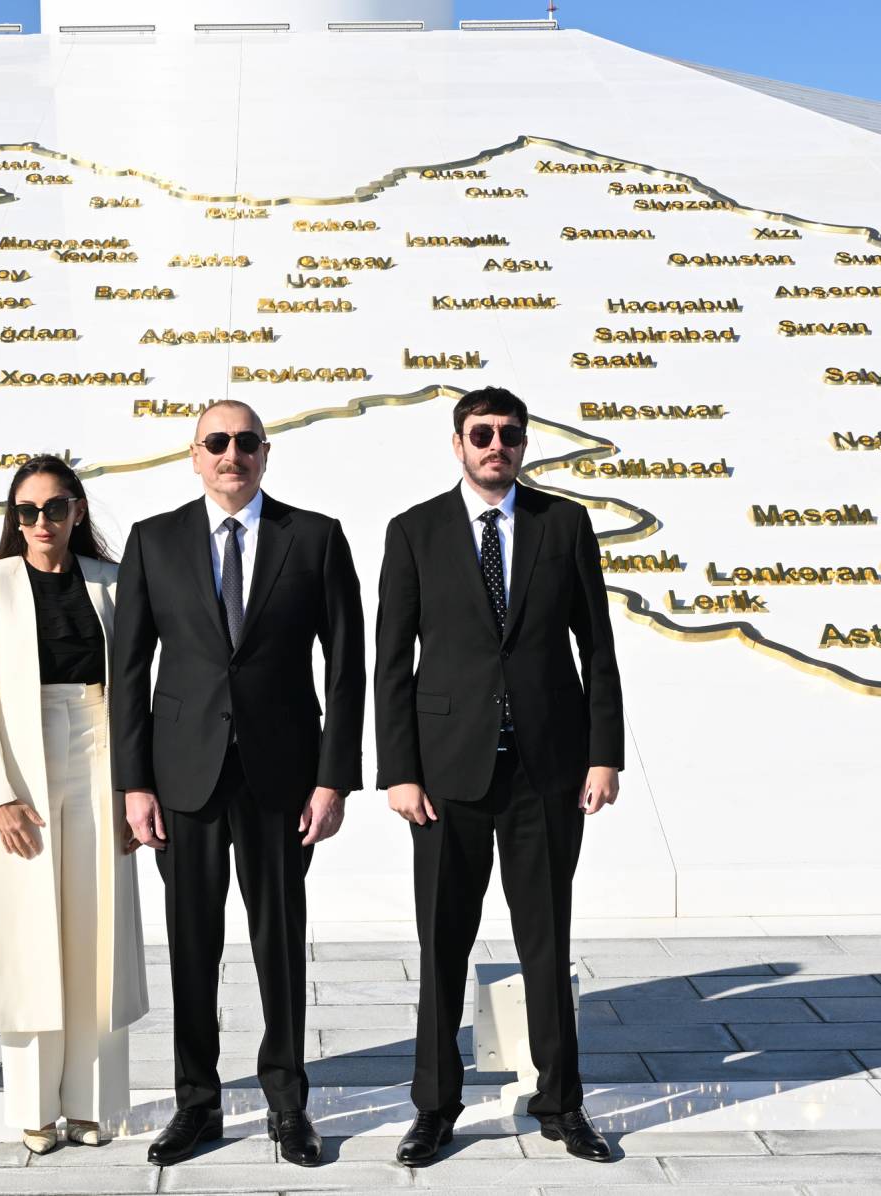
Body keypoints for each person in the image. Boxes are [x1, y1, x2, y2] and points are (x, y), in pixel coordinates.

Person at [110, 399, 365, 1167]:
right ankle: (197, 1104)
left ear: (265, 453)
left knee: (279, 945)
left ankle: (289, 1105)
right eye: (216, 442)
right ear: (194, 456)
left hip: (282, 781)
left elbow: (348, 669)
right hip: (183, 778)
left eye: (246, 442)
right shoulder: (153, 542)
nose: (232, 454)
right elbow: (127, 672)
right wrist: (134, 783)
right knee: (193, 947)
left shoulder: (315, 538)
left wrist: (334, 781)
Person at [374, 387, 625, 1166]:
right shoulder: (414, 531)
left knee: (546, 942)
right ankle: (435, 1107)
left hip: (547, 770)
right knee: (443, 944)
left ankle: (562, 1102)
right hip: (446, 779)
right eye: (481, 433)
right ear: (457, 443)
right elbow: (392, 662)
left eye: (509, 434)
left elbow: (599, 649)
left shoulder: (564, 524)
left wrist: (604, 753)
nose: (496, 445)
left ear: (524, 444)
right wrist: (399, 771)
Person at [0, 455, 148, 1156]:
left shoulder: (111, 580)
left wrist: (136, 790)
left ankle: (95, 1104)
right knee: (31, 938)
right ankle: (36, 1108)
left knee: (96, 935)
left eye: (56, 508)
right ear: (15, 518)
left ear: (77, 511)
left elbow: (135, 694)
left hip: (100, 751)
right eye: (28, 511)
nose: (42, 523)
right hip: (25, 768)